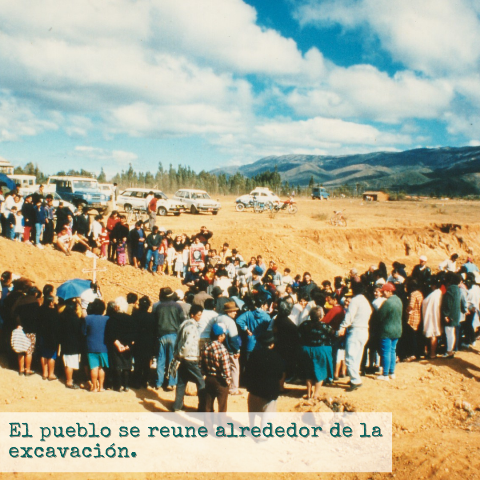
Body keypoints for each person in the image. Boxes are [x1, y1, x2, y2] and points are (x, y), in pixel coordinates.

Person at [337, 281, 372, 391]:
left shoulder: (355, 301)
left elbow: (349, 316)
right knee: (357, 356)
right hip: (364, 330)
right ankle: (354, 376)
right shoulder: (365, 301)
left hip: (356, 330)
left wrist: (342, 327)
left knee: (350, 357)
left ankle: (355, 380)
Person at [172, 304, 206, 412]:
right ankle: (202, 407)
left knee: (181, 382)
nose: (200, 317)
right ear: (192, 315)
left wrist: (178, 355)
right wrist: (182, 354)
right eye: (198, 315)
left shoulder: (184, 324)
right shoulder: (192, 327)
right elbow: (188, 344)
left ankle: (177, 405)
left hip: (182, 358)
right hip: (190, 358)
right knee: (201, 382)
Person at [244, 331, 285, 414]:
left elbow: (247, 371)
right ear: (272, 344)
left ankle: (252, 426)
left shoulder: (254, 354)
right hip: (270, 392)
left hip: (254, 390)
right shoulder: (276, 357)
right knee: (266, 416)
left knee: (252, 413)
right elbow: (280, 375)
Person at [298, 306, 335, 398]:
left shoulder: (304, 324)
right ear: (321, 317)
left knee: (308, 371)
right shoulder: (325, 326)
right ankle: (316, 393)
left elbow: (299, 334)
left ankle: (308, 393)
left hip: (306, 349)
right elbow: (334, 334)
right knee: (320, 371)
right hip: (320, 350)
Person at [152, 287, 184, 391]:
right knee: (172, 360)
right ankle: (171, 382)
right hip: (174, 334)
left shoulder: (159, 307)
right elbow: (182, 320)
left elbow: (155, 322)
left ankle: (159, 383)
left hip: (161, 335)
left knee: (161, 359)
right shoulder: (177, 306)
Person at [105, 297, 136, 392]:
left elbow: (110, 334)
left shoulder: (112, 319)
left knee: (117, 365)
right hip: (127, 344)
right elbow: (134, 333)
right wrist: (128, 345)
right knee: (127, 366)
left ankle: (117, 386)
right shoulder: (130, 319)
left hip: (115, 344)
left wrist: (118, 345)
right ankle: (126, 385)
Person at [201, 322, 231, 412]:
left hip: (209, 378)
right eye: (224, 335)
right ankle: (221, 425)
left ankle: (208, 425)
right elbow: (226, 369)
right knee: (222, 407)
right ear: (220, 336)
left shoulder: (205, 347)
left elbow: (201, 364)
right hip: (220, 380)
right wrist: (227, 381)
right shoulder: (222, 349)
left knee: (208, 406)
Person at [376, 283, 403, 381]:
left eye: (384, 292)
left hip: (387, 330)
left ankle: (385, 374)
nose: (383, 294)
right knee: (392, 351)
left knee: (385, 352)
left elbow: (380, 316)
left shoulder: (387, 303)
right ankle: (392, 372)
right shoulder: (398, 300)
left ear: (389, 291)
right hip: (397, 330)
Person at [236, 295, 272, 361]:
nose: (267, 306)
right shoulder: (267, 317)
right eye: (266, 305)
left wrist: (246, 329)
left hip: (250, 343)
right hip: (261, 344)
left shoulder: (249, 314)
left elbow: (238, 320)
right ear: (262, 305)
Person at [84, 298, 109, 392]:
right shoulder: (106, 319)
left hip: (91, 346)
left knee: (93, 367)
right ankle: (101, 387)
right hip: (103, 346)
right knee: (101, 368)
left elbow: (84, 332)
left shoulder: (88, 318)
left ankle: (94, 387)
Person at [59, 298, 84, 389]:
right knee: (70, 363)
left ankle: (69, 379)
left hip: (65, 343)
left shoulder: (62, 317)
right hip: (74, 344)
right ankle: (69, 381)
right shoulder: (76, 319)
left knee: (67, 362)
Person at [132, 296, 156, 389]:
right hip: (148, 341)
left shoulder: (135, 315)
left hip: (138, 340)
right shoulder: (152, 317)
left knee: (138, 362)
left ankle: (136, 381)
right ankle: (144, 381)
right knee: (146, 363)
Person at [37, 295, 59, 381]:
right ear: (51, 302)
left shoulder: (41, 310)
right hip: (52, 336)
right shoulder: (54, 312)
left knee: (43, 354)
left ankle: (44, 373)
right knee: (51, 355)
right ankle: (51, 374)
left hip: (43, 335)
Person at [441, 272, 462, 358]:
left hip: (450, 315)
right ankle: (451, 350)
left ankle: (449, 351)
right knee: (452, 333)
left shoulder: (450, 289)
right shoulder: (457, 288)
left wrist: (445, 314)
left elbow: (448, 303)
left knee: (449, 333)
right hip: (455, 314)